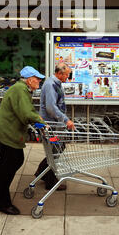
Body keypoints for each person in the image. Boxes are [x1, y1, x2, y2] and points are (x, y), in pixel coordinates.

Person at [0, 66, 45, 215]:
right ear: (29, 79)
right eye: (37, 78)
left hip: (8, 131)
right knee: (9, 165)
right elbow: (26, 113)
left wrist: (36, 118)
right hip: (8, 132)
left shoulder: (22, 89)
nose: (39, 81)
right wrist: (39, 120)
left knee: (11, 162)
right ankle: (3, 203)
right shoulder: (20, 90)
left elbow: (27, 110)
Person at [35, 62, 75, 190]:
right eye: (67, 75)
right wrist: (66, 120)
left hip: (54, 125)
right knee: (55, 150)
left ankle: (41, 173)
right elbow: (51, 107)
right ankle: (50, 181)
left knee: (56, 148)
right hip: (51, 125)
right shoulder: (51, 85)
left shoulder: (55, 83)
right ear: (59, 73)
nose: (68, 78)